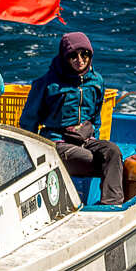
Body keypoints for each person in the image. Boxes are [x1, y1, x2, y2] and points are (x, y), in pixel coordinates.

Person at [18, 32, 123, 205]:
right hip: (57, 142)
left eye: (85, 54)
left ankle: (111, 204)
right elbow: (29, 121)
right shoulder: (47, 83)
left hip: (85, 139)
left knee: (113, 152)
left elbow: (96, 116)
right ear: (64, 57)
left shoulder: (96, 81)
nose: (80, 59)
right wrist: (32, 153)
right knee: (91, 160)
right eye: (73, 55)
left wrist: (90, 134)